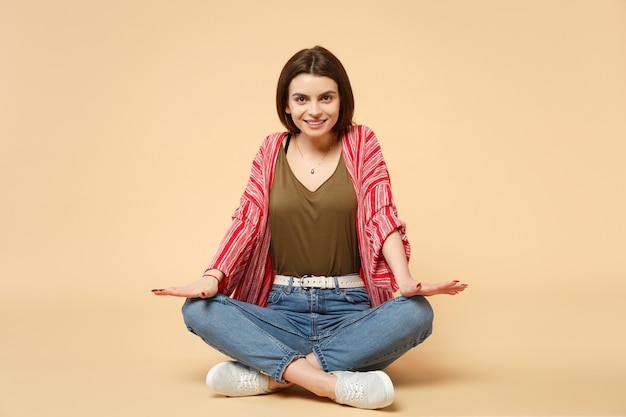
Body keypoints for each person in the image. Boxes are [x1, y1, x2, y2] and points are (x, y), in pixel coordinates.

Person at [152, 45, 468, 410]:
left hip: (350, 311)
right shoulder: (272, 149)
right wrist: (211, 277)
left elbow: (381, 212)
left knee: (417, 313)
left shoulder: (362, 142)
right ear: (286, 104)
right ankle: (331, 383)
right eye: (301, 99)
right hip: (282, 309)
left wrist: (405, 279)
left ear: (341, 100)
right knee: (197, 309)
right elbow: (248, 219)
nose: (314, 110)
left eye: (326, 98)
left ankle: (273, 376)